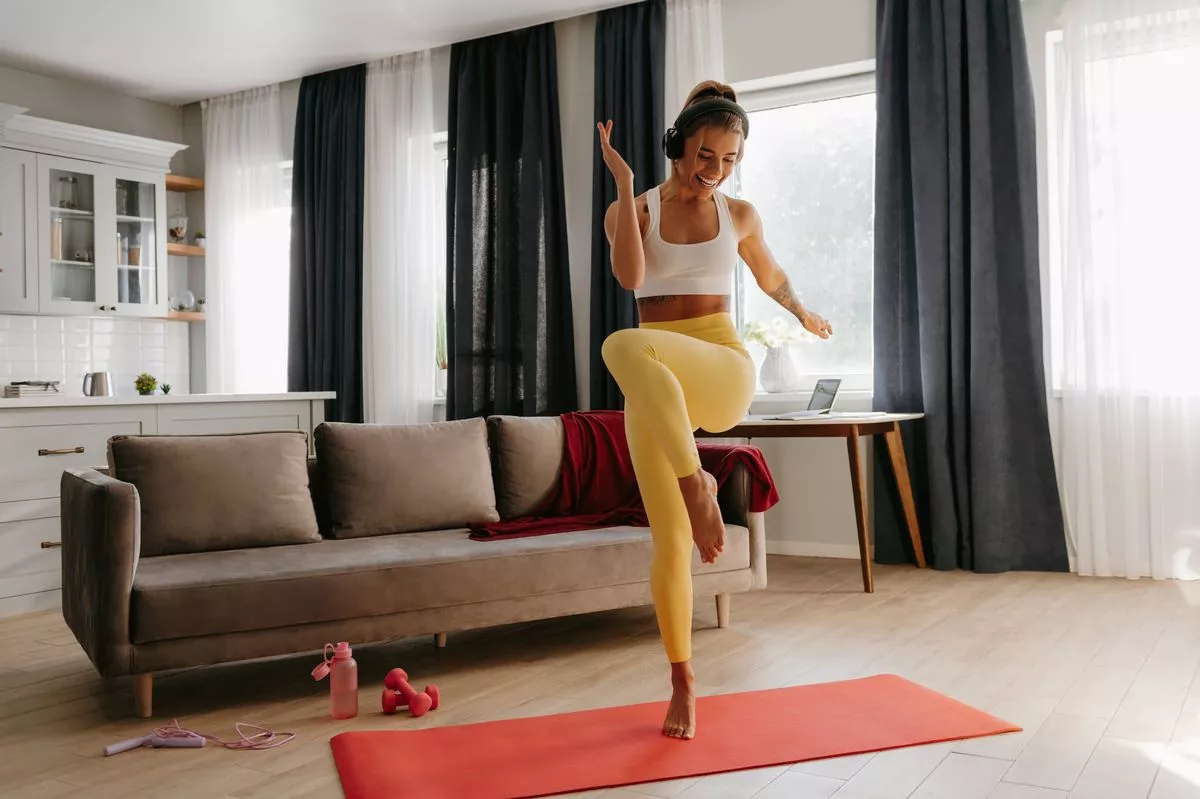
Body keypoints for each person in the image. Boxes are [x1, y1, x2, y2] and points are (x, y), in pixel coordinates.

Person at [596, 80, 833, 741]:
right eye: (706, 156)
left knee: (621, 344)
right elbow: (631, 280)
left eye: (730, 160)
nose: (715, 171)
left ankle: (697, 482)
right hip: (656, 380)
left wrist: (802, 312)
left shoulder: (741, 215)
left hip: (720, 366)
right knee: (669, 540)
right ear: (679, 144)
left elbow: (769, 275)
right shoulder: (632, 210)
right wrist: (624, 186)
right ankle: (682, 678)